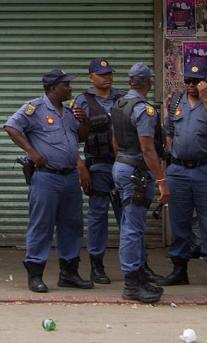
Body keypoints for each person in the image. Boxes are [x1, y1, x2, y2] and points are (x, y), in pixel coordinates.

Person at [4, 69, 94, 292]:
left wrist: (84, 122)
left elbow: (80, 138)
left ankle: (69, 273)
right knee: (41, 225)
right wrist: (31, 151)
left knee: (72, 226)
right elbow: (11, 126)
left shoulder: (70, 111)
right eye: (65, 85)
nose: (70, 88)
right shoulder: (34, 108)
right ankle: (35, 274)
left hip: (69, 177)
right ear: (52, 88)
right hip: (46, 178)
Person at [158, 63, 207, 289]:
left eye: (196, 82)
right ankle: (179, 270)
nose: (191, 86)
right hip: (178, 170)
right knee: (179, 222)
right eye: (188, 81)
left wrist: (206, 100)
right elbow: (169, 134)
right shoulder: (176, 102)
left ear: (204, 82)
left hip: (205, 170)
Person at [111, 63, 170, 303]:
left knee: (130, 224)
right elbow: (147, 148)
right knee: (132, 229)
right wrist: (162, 180)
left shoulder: (119, 104)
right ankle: (132, 285)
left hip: (122, 165)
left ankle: (137, 278)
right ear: (148, 84)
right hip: (136, 170)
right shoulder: (144, 110)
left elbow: (114, 141)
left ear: (130, 82)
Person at [74, 57, 126, 285]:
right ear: (91, 77)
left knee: (129, 215)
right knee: (98, 215)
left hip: (125, 163)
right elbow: (70, 135)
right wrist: (80, 165)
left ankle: (138, 264)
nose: (107, 78)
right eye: (102, 74)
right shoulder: (82, 101)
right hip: (98, 164)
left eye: (109, 74)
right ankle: (97, 265)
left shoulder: (124, 98)